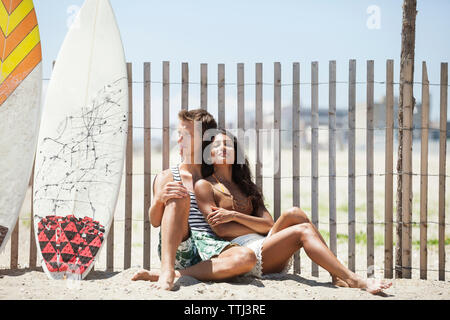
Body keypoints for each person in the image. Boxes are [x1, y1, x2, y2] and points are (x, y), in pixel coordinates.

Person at [139, 128, 393, 295]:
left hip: (264, 244)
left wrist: (236, 215)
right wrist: (247, 224)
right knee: (303, 229)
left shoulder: (245, 186)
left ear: (236, 152)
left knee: (294, 213)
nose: (222, 149)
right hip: (243, 250)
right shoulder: (206, 185)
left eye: (227, 145)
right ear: (209, 155)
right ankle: (355, 279)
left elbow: (267, 225)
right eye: (215, 147)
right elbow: (221, 229)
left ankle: (337, 277)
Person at [132, 109, 257, 291]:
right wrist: (159, 199)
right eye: (179, 134)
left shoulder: (214, 176)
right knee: (179, 196)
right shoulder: (168, 176)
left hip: (212, 246)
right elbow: (154, 221)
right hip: (182, 243)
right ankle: (166, 271)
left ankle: (175, 275)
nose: (178, 140)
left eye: (186, 135)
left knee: (248, 258)